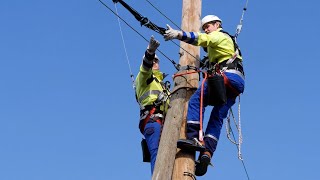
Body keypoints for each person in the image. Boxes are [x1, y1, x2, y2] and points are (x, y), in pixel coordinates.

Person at [164, 15, 245, 176]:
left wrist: (178, 34)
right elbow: (209, 59)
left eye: (208, 26)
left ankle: (193, 137)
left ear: (217, 24)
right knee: (217, 117)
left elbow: (201, 39)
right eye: (205, 27)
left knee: (196, 100)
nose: (206, 29)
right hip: (237, 83)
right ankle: (207, 152)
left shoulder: (219, 35)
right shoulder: (223, 47)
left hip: (225, 77)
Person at [135, 36, 170, 174]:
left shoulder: (161, 84)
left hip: (165, 123)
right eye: (152, 60)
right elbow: (145, 68)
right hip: (153, 120)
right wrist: (150, 52)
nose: (154, 62)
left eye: (156, 61)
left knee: (169, 155)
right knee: (158, 154)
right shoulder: (144, 78)